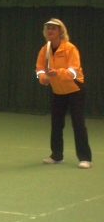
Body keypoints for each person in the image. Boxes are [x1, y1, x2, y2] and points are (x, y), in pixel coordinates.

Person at [35, 18, 92, 169]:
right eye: (48, 28)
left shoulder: (70, 48)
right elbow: (39, 70)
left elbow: (74, 72)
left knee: (78, 124)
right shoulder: (44, 50)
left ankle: (85, 158)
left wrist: (57, 73)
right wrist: (43, 79)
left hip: (75, 91)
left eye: (54, 28)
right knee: (56, 124)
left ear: (61, 31)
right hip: (58, 92)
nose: (50, 30)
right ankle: (57, 156)